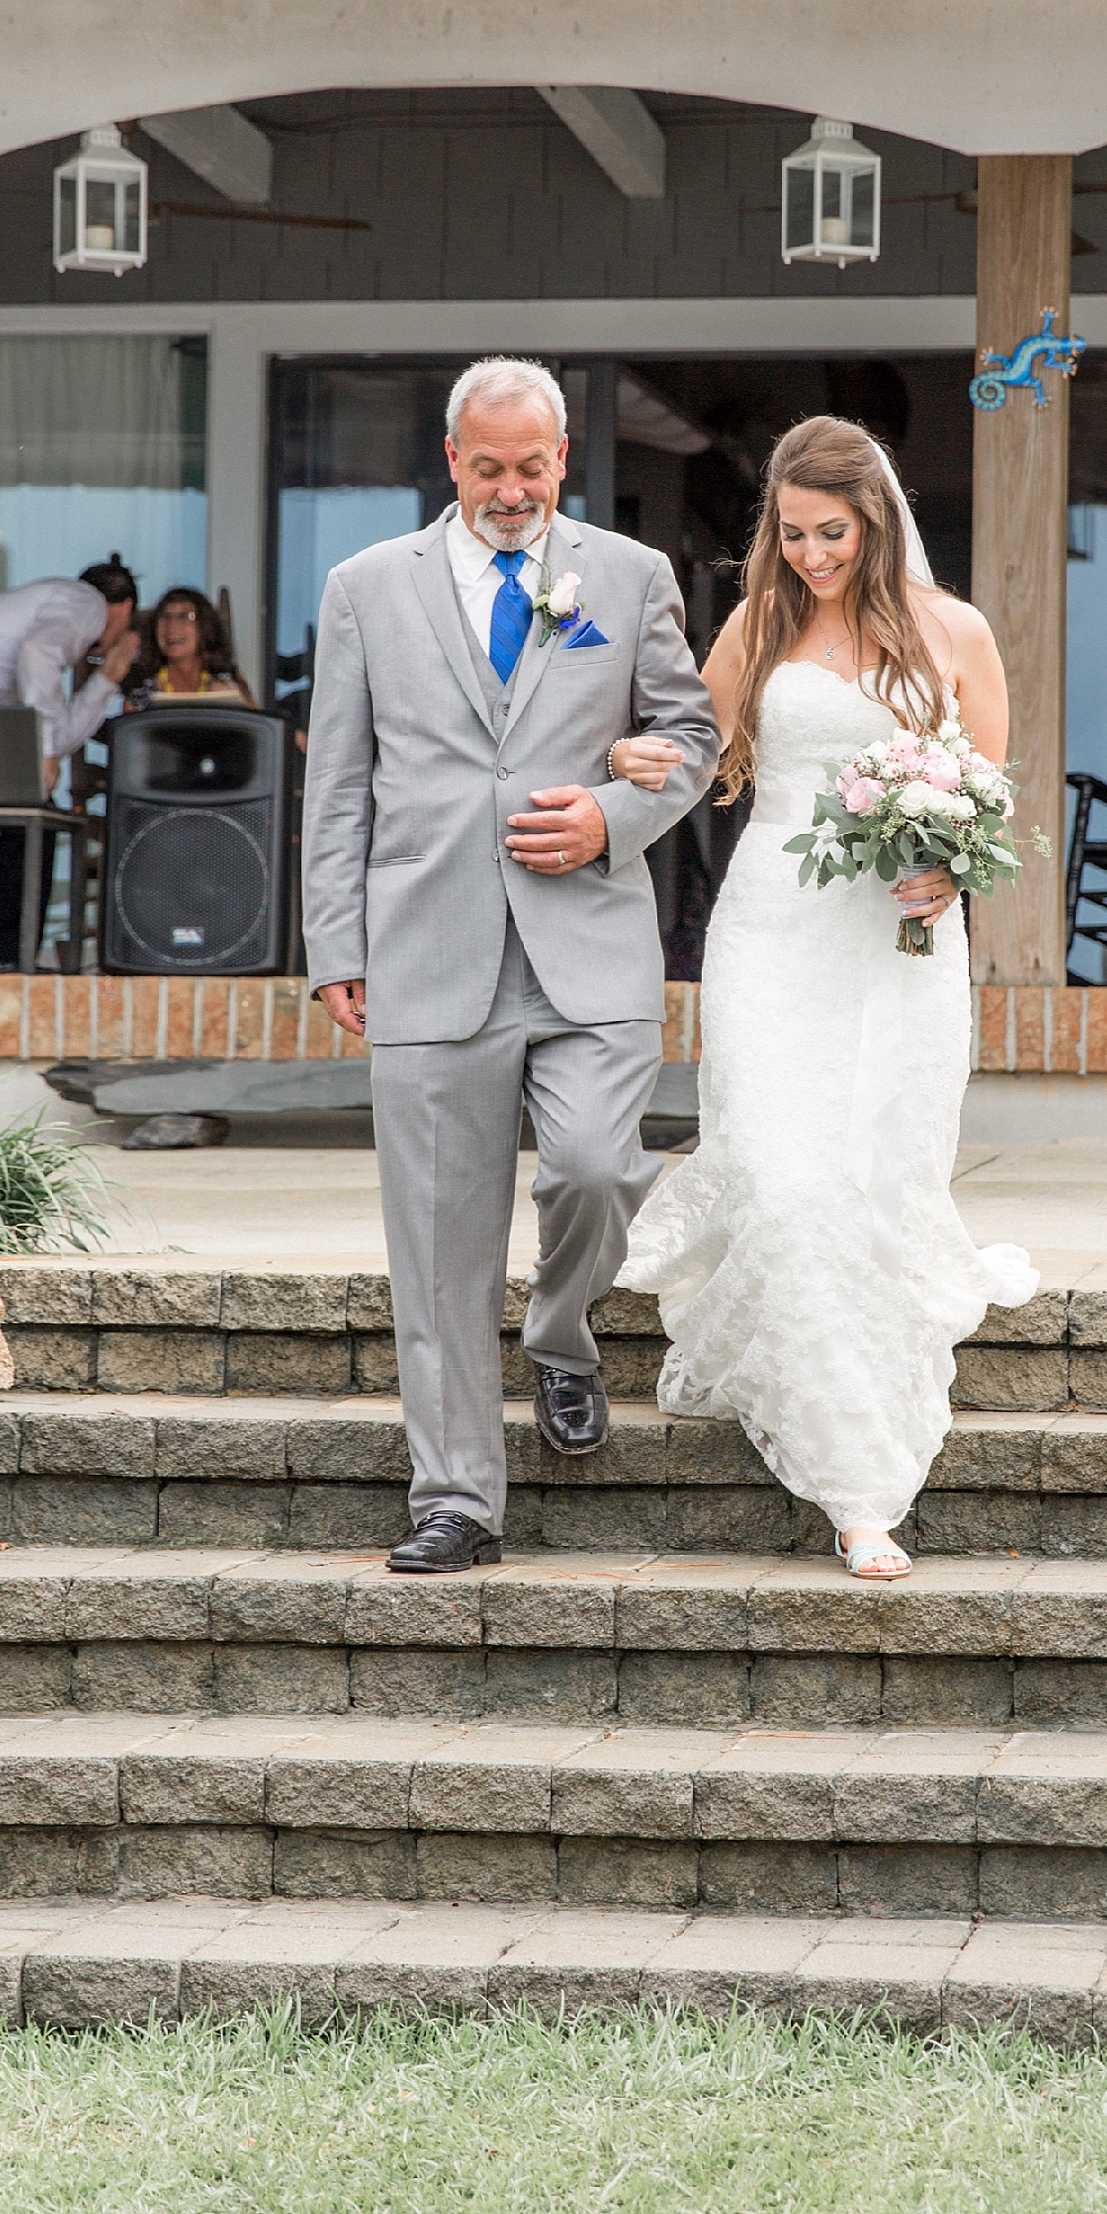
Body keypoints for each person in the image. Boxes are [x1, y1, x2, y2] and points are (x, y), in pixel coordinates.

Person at [302, 356, 720, 1574]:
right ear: (451, 462)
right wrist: (337, 940)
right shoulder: (365, 587)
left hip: (586, 939)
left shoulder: (629, 576)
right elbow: (337, 783)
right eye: (487, 466)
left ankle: (563, 1329)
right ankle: (456, 1500)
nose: (510, 489)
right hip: (426, 949)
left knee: (595, 1167)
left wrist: (611, 817)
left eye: (531, 466)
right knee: (436, 1242)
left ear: (561, 458)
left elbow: (689, 739)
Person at [613, 417, 1038, 1580]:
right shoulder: (763, 622)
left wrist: (951, 866)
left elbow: (988, 795)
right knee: (791, 1184)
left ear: (878, 517)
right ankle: (858, 1492)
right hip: (770, 932)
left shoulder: (956, 631)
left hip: (895, 948)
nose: (809, 553)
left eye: (831, 532)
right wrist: (638, 761)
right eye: (791, 532)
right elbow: (694, 751)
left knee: (864, 1180)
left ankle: (855, 1441)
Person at [0, 557, 140, 968]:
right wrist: (41, 752)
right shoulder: (87, 602)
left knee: (28, 817)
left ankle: (6, 957)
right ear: (125, 610)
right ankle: (11, 955)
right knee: (30, 819)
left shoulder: (54, 612)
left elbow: (58, 736)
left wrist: (108, 678)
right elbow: (39, 650)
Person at [131, 586, 256, 705]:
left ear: (205, 627)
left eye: (185, 616)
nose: (172, 626)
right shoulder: (141, 692)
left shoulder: (228, 682)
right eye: (165, 617)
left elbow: (257, 723)